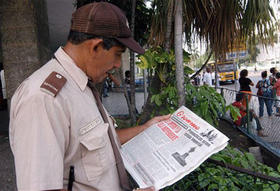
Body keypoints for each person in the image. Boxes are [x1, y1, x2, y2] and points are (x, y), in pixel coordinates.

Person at [9, 2, 170, 191]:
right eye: (118, 54)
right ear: (95, 47)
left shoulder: (81, 85)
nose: (118, 64)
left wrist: (145, 129)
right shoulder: (43, 99)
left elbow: (99, 143)